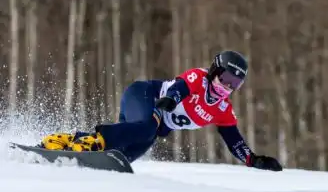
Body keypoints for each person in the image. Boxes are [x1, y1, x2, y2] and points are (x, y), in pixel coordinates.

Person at [40, 50, 282, 171]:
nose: (227, 87)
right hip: (145, 96)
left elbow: (234, 141)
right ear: (214, 71)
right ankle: (93, 142)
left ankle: (66, 142)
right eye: (226, 78)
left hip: (150, 124)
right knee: (148, 128)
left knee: (123, 158)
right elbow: (180, 87)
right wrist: (169, 99)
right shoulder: (200, 78)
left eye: (235, 84)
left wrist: (254, 160)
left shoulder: (223, 110)